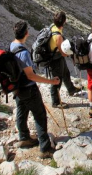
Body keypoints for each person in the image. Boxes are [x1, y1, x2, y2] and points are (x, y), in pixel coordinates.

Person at [11, 20, 60, 157]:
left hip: (18, 88)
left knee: (22, 111)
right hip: (28, 89)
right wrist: (50, 81)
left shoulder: (12, 46)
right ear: (26, 33)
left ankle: (24, 137)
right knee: (39, 115)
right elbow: (31, 76)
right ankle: (45, 148)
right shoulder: (24, 53)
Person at [48, 11, 81, 108]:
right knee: (57, 79)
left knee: (66, 72)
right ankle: (56, 102)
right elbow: (62, 52)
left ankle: (71, 89)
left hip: (56, 55)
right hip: (55, 58)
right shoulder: (58, 36)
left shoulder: (53, 26)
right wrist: (70, 53)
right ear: (64, 21)